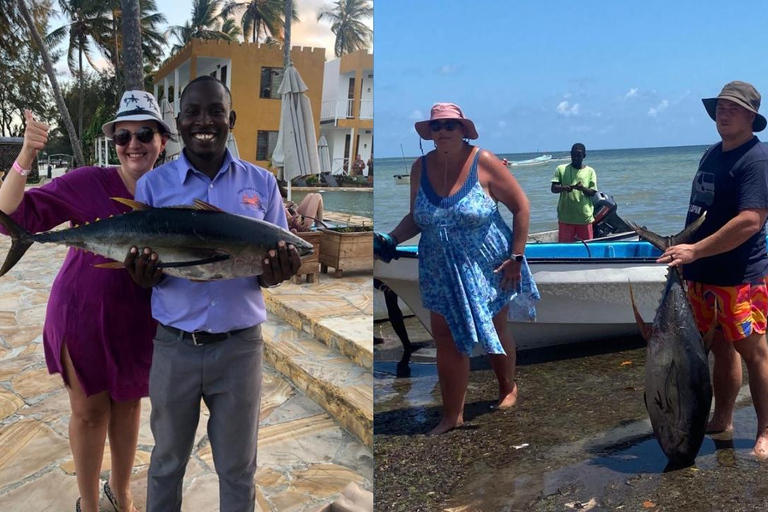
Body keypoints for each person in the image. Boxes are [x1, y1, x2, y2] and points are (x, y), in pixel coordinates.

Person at [123, 75, 301, 511]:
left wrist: (276, 273)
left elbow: (263, 270)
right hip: (174, 346)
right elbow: (148, 260)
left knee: (238, 468)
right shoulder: (153, 186)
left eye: (215, 112)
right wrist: (142, 275)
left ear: (231, 120)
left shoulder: (262, 185)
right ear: (179, 123)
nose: (205, 121)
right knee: (166, 462)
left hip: (239, 349)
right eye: (194, 113)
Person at [0, 92, 171, 512]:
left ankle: (122, 491)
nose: (134, 143)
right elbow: (11, 214)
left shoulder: (172, 190)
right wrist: (25, 156)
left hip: (139, 319)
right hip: (82, 316)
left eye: (145, 133)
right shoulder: (87, 181)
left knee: (129, 407)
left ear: (162, 140)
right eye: (123, 135)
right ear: (113, 142)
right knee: (90, 412)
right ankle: (90, 505)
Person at [375, 102, 534, 435]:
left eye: (450, 125)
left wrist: (516, 258)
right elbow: (416, 218)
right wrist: (390, 239)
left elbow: (521, 206)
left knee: (496, 328)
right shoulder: (420, 167)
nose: (443, 131)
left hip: (490, 262)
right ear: (429, 133)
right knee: (445, 339)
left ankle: (507, 387)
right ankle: (452, 415)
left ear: (463, 130)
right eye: (436, 126)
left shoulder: (485, 162)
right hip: (438, 266)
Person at [659, 81, 768, 459]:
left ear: (751, 118)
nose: (724, 112)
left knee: (754, 352)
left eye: (734, 108)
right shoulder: (711, 154)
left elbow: (751, 221)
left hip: (741, 277)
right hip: (701, 274)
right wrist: (685, 252)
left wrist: (695, 250)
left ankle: (766, 432)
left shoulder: (756, 160)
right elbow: (700, 213)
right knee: (720, 348)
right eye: (721, 106)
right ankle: (723, 418)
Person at [551, 143, 598, 242]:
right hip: (565, 217)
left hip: (584, 217)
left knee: (587, 248)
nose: (576, 157)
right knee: (565, 249)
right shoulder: (561, 169)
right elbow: (554, 188)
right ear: (570, 154)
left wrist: (582, 188)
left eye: (579, 155)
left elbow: (592, 192)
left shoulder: (590, 171)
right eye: (574, 154)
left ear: (584, 156)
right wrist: (565, 188)